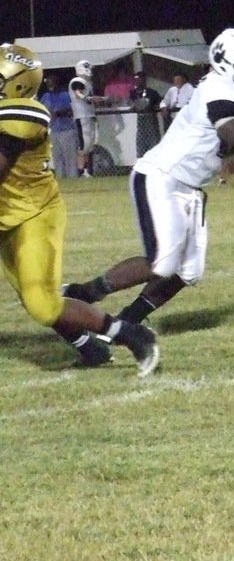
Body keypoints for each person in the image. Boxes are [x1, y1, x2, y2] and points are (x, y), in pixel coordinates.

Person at [62, 29, 234, 328]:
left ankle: (128, 321)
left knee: (188, 272)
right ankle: (83, 293)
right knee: (162, 262)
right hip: (163, 176)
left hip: (192, 186)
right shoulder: (219, 89)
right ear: (226, 64)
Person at [0, 44, 160, 375]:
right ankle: (92, 351)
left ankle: (131, 334)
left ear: (15, 83)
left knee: (43, 304)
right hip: (6, 216)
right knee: (37, 302)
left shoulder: (21, 114)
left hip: (32, 216)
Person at [69, 60, 105, 177]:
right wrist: (91, 98)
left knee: (90, 144)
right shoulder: (77, 81)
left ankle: (87, 171)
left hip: (89, 115)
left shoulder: (87, 82)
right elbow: (77, 94)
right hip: (82, 115)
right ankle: (82, 171)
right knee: (84, 144)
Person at [38, 74, 78, 178]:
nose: (50, 84)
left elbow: (71, 111)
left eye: (52, 81)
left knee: (70, 158)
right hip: (54, 130)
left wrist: (58, 113)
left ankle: (73, 180)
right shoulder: (46, 96)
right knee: (57, 158)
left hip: (66, 130)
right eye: (48, 82)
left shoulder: (64, 95)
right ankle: (61, 180)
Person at [129, 71, 163, 157]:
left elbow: (160, 103)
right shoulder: (133, 93)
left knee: (153, 142)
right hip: (140, 121)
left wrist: (157, 107)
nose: (138, 81)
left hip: (151, 120)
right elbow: (130, 104)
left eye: (141, 79)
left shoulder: (152, 92)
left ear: (145, 80)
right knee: (141, 142)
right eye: (136, 79)